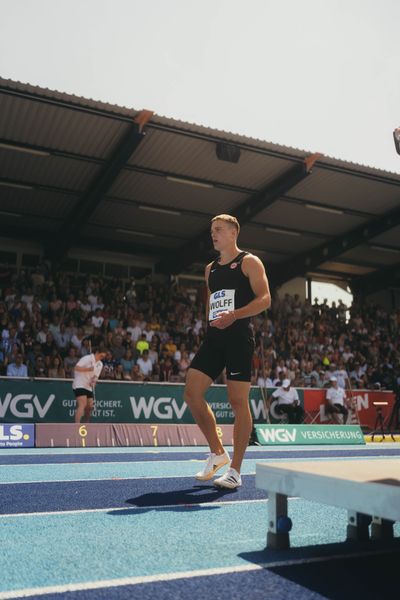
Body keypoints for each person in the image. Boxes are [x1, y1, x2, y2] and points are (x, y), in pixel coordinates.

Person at [184, 214, 271, 489]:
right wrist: (210, 325)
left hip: (238, 338)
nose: (213, 234)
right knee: (191, 393)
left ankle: (235, 470)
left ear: (234, 233)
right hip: (214, 338)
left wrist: (235, 316)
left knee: (237, 401)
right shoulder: (210, 269)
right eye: (212, 230)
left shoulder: (249, 262)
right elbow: (210, 304)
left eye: (219, 230)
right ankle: (218, 452)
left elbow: (265, 299)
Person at [72, 349, 106, 423]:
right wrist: (88, 369)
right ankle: (76, 425)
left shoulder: (100, 364)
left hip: (88, 386)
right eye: (101, 355)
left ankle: (86, 424)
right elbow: (76, 368)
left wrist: (94, 381)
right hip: (79, 384)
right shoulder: (87, 358)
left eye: (103, 357)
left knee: (90, 407)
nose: (101, 358)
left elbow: (96, 376)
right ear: (97, 352)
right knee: (82, 404)